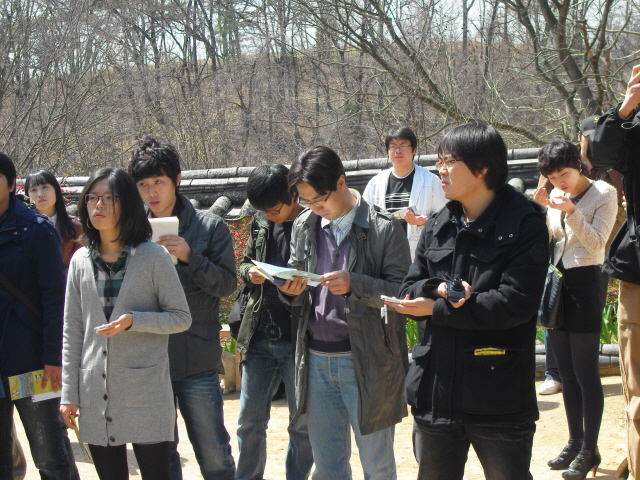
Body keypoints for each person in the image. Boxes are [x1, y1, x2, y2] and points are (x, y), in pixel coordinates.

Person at [392, 122, 549, 480]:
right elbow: (408, 288)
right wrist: (437, 289)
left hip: (497, 393)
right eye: (440, 161)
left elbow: (515, 303)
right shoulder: (438, 223)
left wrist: (436, 309)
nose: (441, 171)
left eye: (450, 162)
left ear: (483, 169)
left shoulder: (524, 222)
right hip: (436, 392)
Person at [279, 146, 411, 480]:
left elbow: (403, 294)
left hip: (367, 359)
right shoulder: (305, 225)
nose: (314, 208)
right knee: (328, 466)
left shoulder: (383, 228)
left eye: (319, 199)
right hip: (315, 359)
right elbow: (298, 279)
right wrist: (289, 291)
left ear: (341, 182)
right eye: (306, 201)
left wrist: (357, 285)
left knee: (377, 465)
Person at [59, 167, 191, 480]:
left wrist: (134, 321)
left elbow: (181, 317)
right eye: (92, 197)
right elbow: (72, 331)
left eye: (109, 198)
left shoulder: (153, 257)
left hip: (145, 392)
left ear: (128, 205)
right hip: (95, 392)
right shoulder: (80, 261)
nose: (98, 205)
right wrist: (69, 393)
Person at [128, 136, 237, 480]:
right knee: (161, 460)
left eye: (158, 181)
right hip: (149, 361)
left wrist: (191, 257)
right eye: (143, 185)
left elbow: (227, 285)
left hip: (197, 359)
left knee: (215, 456)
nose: (151, 192)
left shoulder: (209, 226)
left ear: (176, 179)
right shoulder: (130, 232)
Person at [533, 140, 617, 479]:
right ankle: (574, 441)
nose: (559, 182)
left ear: (579, 166)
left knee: (585, 372)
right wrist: (542, 210)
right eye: (553, 177)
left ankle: (590, 449)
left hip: (586, 280)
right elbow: (553, 241)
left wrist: (571, 210)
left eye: (564, 174)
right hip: (557, 282)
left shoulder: (605, 193)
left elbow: (597, 242)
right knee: (565, 372)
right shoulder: (555, 193)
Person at [0, 153, 79, 480]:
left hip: (34, 362)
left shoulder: (35, 229)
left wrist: (53, 360)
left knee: (50, 455)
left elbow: (55, 300)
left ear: (10, 184)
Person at [235, 164, 313, 480]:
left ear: (293, 195)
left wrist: (301, 288)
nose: (270, 215)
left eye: (275, 209)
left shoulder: (314, 223)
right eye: (263, 211)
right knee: (249, 421)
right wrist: (250, 273)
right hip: (259, 336)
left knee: (301, 423)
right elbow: (244, 264)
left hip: (298, 339)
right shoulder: (261, 223)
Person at [589, 64, 640, 480]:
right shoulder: (631, 123)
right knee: (638, 394)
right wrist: (625, 110)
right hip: (639, 272)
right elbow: (598, 157)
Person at [363, 126, 447, 258]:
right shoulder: (375, 183)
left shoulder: (431, 181)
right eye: (393, 146)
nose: (398, 150)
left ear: (414, 150)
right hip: (385, 255)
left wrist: (423, 222)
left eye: (403, 145)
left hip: (419, 254)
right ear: (388, 151)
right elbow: (364, 218)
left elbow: (445, 219)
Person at [25, 170, 83, 274]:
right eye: (33, 190)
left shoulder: (74, 226)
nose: (40, 194)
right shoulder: (22, 227)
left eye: (45, 187)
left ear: (56, 190)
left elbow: (82, 267)